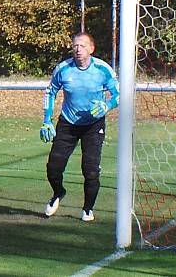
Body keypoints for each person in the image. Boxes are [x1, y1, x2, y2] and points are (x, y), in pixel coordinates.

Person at [39, 32, 119, 222]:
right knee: (53, 167)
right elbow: (50, 93)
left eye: (82, 46)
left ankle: (88, 209)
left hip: (93, 124)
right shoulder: (63, 69)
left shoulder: (102, 69)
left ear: (91, 49)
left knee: (90, 169)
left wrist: (107, 105)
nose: (77, 49)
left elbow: (119, 93)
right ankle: (58, 193)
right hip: (68, 123)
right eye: (75, 45)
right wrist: (47, 120)